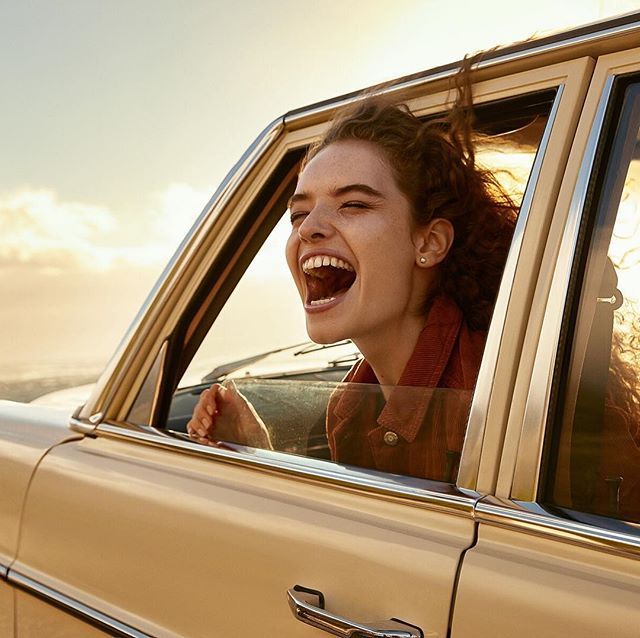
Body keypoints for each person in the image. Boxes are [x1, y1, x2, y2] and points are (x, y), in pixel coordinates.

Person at [187, 73, 517, 482]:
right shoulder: (351, 408)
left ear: (429, 243)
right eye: (299, 214)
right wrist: (256, 449)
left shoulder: (489, 400)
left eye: (354, 204)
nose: (308, 229)